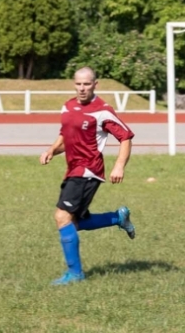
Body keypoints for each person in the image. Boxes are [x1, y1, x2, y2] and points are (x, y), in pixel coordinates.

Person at [40, 66, 135, 285]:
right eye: (78, 84)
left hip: (88, 171)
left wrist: (119, 165)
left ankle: (75, 275)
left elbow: (126, 137)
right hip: (73, 169)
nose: (82, 88)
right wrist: (51, 151)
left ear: (95, 84)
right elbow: (65, 136)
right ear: (74, 84)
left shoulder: (102, 110)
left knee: (62, 217)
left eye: (87, 84)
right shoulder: (68, 106)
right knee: (76, 222)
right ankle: (118, 218)